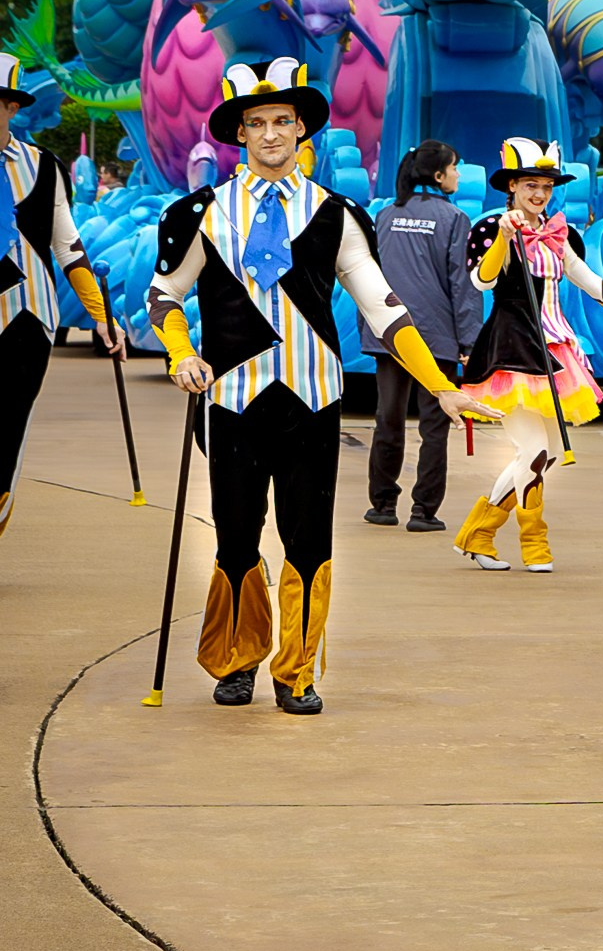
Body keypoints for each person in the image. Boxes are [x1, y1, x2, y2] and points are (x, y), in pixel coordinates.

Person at [150, 59, 495, 713]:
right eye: (257, 122)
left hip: (312, 402)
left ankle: (297, 669)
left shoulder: (337, 215)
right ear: (240, 133)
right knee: (234, 537)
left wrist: (440, 384)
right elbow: (164, 296)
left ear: (301, 127)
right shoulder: (202, 212)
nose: (271, 133)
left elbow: (386, 309)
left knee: (308, 541)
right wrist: (179, 352)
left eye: (283, 120)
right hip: (232, 400)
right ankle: (237, 658)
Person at [452, 140, 603, 572]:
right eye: (531, 184)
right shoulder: (492, 226)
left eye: (546, 186)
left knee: (544, 454)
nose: (539, 194)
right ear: (511, 186)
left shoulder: (556, 231)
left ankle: (478, 534)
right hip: (513, 348)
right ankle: (534, 545)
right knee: (532, 449)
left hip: (555, 348)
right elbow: (482, 282)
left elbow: (586, 278)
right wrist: (506, 238)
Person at [0, 53, 128, 538]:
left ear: (13, 108)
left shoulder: (44, 167)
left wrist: (99, 316)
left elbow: (68, 246)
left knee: (9, 428)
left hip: (28, 320)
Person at [364, 140, 478, 532]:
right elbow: (463, 286)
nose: (458, 175)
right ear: (438, 175)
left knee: (388, 419)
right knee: (435, 428)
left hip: (389, 335)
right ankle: (423, 512)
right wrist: (469, 342)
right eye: (455, 167)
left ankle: (381, 505)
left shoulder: (384, 216)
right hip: (437, 337)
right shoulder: (454, 218)